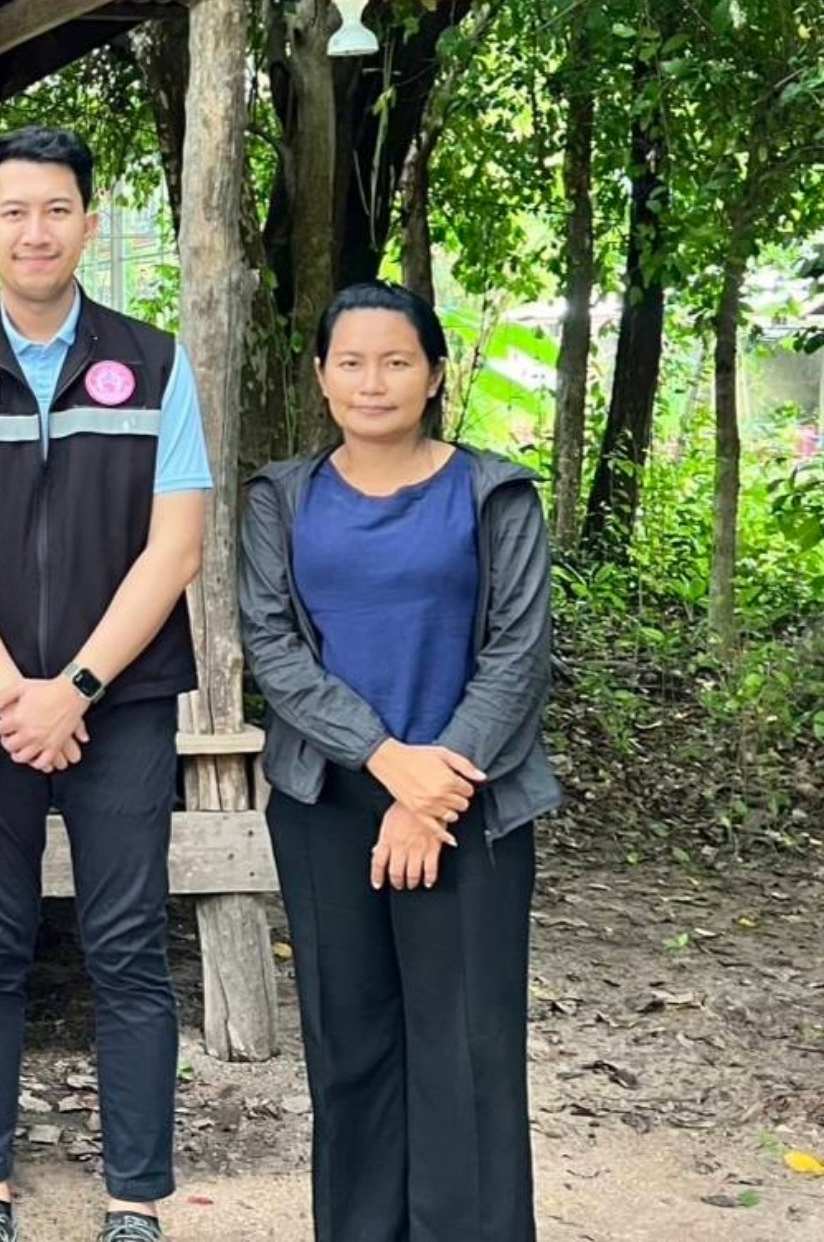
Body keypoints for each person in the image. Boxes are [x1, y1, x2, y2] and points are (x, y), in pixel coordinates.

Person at [0, 128, 212, 1242]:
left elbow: (176, 546)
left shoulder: (156, 363)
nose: (37, 231)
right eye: (15, 212)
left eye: (58, 209)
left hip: (122, 703)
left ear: (88, 223)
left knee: (125, 943)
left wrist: (73, 687)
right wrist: (14, 691)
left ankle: (135, 1198)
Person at [238, 280, 561, 1242]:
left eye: (396, 361)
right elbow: (273, 649)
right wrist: (386, 762)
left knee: (469, 1049)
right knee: (350, 1044)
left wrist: (431, 790)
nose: (372, 382)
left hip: (471, 802)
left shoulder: (494, 493)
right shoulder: (282, 498)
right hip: (329, 802)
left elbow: (519, 653)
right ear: (321, 375)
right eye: (351, 362)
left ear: (434, 375)